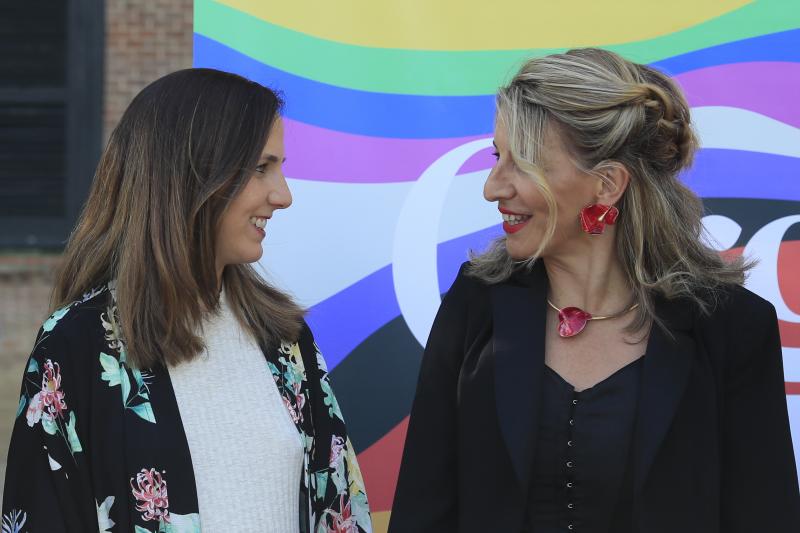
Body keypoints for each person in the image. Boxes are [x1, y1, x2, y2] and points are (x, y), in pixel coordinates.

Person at [389, 48, 799, 533]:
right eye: (497, 157)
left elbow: (764, 516)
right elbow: (423, 511)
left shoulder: (731, 325)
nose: (492, 187)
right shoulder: (476, 304)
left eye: (522, 164)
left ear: (606, 185)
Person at [1, 68, 371, 533]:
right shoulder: (75, 345)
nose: (283, 195)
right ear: (192, 175)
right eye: (261, 168)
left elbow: (340, 510)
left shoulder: (284, 341)